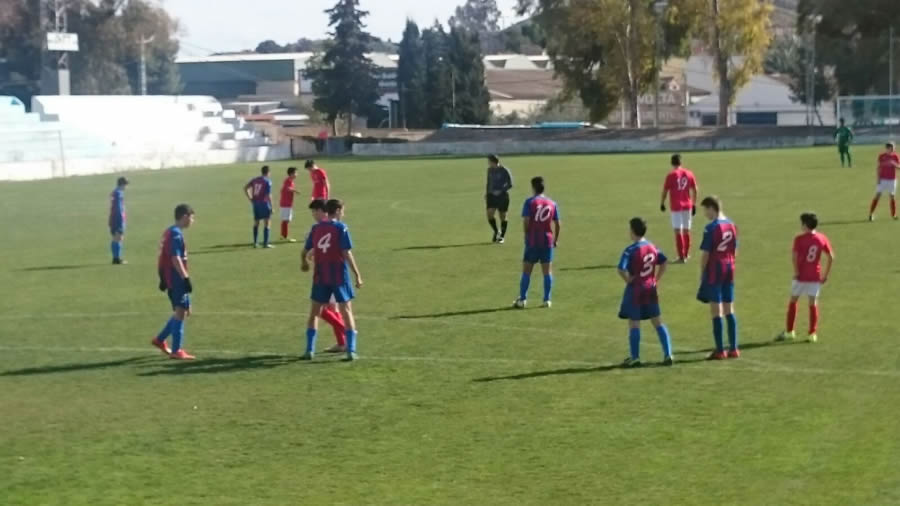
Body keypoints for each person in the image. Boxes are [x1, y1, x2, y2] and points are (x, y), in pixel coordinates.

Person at [301, 199, 363, 361]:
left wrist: (307, 260)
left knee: (314, 312)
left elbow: (308, 251)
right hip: (338, 275)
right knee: (346, 310)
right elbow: (346, 253)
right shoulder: (340, 228)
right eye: (342, 210)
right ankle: (351, 350)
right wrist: (357, 274)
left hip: (320, 275)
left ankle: (309, 350)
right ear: (336, 211)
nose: (343, 214)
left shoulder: (315, 228)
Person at [617, 217, 674, 368]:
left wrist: (628, 280)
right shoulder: (652, 247)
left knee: (634, 323)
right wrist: (656, 279)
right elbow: (664, 261)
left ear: (633, 231)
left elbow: (620, 269)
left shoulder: (630, 250)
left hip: (635, 289)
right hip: (650, 288)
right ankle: (668, 353)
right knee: (657, 321)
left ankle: (635, 357)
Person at [777, 213, 834, 343]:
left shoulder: (799, 239)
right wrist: (825, 275)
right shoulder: (822, 238)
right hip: (815, 277)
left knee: (793, 301)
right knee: (813, 304)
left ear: (805, 225)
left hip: (800, 277)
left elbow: (794, 257)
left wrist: (796, 272)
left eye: (802, 223)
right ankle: (812, 334)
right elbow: (831, 257)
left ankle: (790, 331)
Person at [151, 204, 197, 360]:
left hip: (171, 277)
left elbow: (162, 256)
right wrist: (185, 278)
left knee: (183, 311)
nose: (193, 221)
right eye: (192, 217)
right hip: (176, 278)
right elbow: (175, 258)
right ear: (184, 217)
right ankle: (177, 350)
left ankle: (160, 339)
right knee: (181, 312)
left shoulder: (169, 232)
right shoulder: (175, 234)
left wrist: (162, 276)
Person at [696, 196, 740, 360]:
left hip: (715, 269)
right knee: (730, 308)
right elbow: (735, 249)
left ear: (711, 208)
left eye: (705, 210)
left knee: (716, 309)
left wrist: (702, 272)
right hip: (729, 267)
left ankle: (720, 350)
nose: (705, 214)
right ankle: (734, 348)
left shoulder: (711, 228)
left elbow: (706, 254)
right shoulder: (731, 225)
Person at [307, 199, 348, 353]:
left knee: (321, 310)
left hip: (327, 275)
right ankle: (342, 343)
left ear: (322, 211)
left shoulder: (324, 227)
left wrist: (311, 253)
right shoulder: (326, 226)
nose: (313, 215)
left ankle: (346, 331)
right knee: (332, 308)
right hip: (329, 273)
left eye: (314, 211)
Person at [514, 177, 560, 309]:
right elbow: (557, 223)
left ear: (533, 187)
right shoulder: (552, 203)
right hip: (547, 240)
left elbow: (526, 220)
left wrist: (526, 235)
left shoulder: (530, 202)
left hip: (533, 240)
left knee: (527, 270)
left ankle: (522, 299)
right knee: (547, 271)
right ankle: (547, 300)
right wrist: (556, 239)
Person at [659, 154, 699, 263]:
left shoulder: (671, 175)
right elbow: (695, 189)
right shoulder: (689, 173)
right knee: (686, 230)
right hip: (688, 205)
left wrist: (662, 203)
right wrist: (694, 204)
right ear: (681, 162)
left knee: (678, 231)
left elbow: (665, 191)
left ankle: (681, 257)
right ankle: (686, 254)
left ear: (672, 163)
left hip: (676, 206)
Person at [244, 165, 274, 248]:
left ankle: (255, 243)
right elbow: (269, 195)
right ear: (268, 172)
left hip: (256, 204)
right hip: (264, 203)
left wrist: (250, 199)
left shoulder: (255, 180)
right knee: (267, 223)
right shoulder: (267, 181)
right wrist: (272, 206)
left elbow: (245, 188)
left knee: (256, 222)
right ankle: (266, 243)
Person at [485, 154, 514, 243]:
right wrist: (487, 193)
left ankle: (502, 237)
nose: (488, 163)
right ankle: (496, 231)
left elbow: (510, 184)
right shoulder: (489, 170)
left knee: (503, 216)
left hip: (502, 196)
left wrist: (501, 190)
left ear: (493, 162)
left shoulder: (504, 170)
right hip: (491, 195)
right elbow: (488, 182)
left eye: (489, 161)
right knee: (490, 214)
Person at [868, 142, 900, 221]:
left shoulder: (895, 156)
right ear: (887, 148)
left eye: (893, 147)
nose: (893, 149)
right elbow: (879, 167)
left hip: (892, 180)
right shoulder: (881, 156)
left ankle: (893, 215)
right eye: (891, 148)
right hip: (883, 180)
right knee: (877, 196)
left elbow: (899, 167)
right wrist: (878, 178)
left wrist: (894, 164)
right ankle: (871, 214)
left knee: (892, 197)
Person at [109, 176, 129, 265]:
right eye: (125, 184)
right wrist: (121, 220)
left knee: (115, 238)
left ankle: (115, 258)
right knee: (118, 238)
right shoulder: (118, 193)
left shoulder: (115, 192)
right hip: (117, 219)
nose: (126, 187)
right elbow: (118, 208)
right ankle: (117, 258)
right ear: (122, 184)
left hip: (114, 219)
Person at [279, 167, 301, 242]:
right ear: (291, 174)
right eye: (295, 173)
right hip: (286, 204)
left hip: (286, 203)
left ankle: (283, 235)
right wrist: (296, 191)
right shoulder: (288, 181)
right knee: (286, 220)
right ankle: (285, 236)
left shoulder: (289, 181)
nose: (296, 174)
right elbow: (288, 188)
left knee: (285, 220)